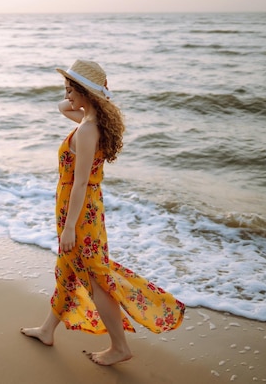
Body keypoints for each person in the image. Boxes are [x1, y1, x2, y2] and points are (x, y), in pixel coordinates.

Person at [20, 59, 185, 366]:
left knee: (96, 279)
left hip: (78, 213)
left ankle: (120, 346)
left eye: (71, 90)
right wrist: (82, 96)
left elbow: (80, 182)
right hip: (85, 209)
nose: (66, 96)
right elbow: (63, 108)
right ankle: (47, 329)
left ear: (86, 92)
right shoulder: (92, 124)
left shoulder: (86, 131)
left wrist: (70, 228)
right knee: (68, 269)